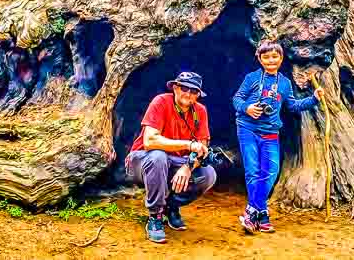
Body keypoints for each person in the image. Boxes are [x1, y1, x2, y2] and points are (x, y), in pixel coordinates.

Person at [232, 40, 325, 234]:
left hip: (270, 132)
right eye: (266, 57)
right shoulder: (252, 78)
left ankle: (253, 211)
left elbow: (292, 106)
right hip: (247, 129)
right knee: (253, 171)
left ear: (281, 58)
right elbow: (237, 98)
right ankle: (262, 215)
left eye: (275, 56)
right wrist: (247, 108)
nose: (271, 60)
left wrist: (314, 98)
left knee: (271, 172)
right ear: (259, 58)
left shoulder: (284, 83)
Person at [125, 71, 217, 244]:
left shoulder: (201, 111)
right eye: (184, 88)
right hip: (142, 161)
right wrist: (188, 145)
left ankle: (171, 206)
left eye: (194, 91)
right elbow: (150, 141)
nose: (188, 94)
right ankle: (155, 215)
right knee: (158, 157)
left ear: (198, 94)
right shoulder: (161, 102)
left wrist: (188, 167)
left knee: (208, 174)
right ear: (175, 88)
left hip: (176, 163)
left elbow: (202, 149)